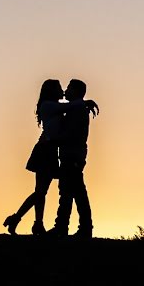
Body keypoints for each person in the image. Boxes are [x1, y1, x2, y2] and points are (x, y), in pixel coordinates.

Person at [3, 79, 98, 235]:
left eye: (66, 87)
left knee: (46, 191)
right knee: (43, 191)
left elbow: (69, 111)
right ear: (51, 90)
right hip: (45, 150)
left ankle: (33, 222)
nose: (63, 90)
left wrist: (82, 103)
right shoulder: (49, 105)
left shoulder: (60, 108)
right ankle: (23, 220)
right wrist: (84, 102)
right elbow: (68, 106)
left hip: (52, 151)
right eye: (60, 87)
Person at [50, 78, 94, 239]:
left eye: (69, 88)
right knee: (71, 192)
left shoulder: (77, 109)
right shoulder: (77, 108)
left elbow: (72, 133)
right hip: (73, 154)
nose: (65, 90)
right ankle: (67, 226)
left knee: (74, 192)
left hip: (72, 155)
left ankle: (71, 227)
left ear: (76, 91)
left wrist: (55, 139)